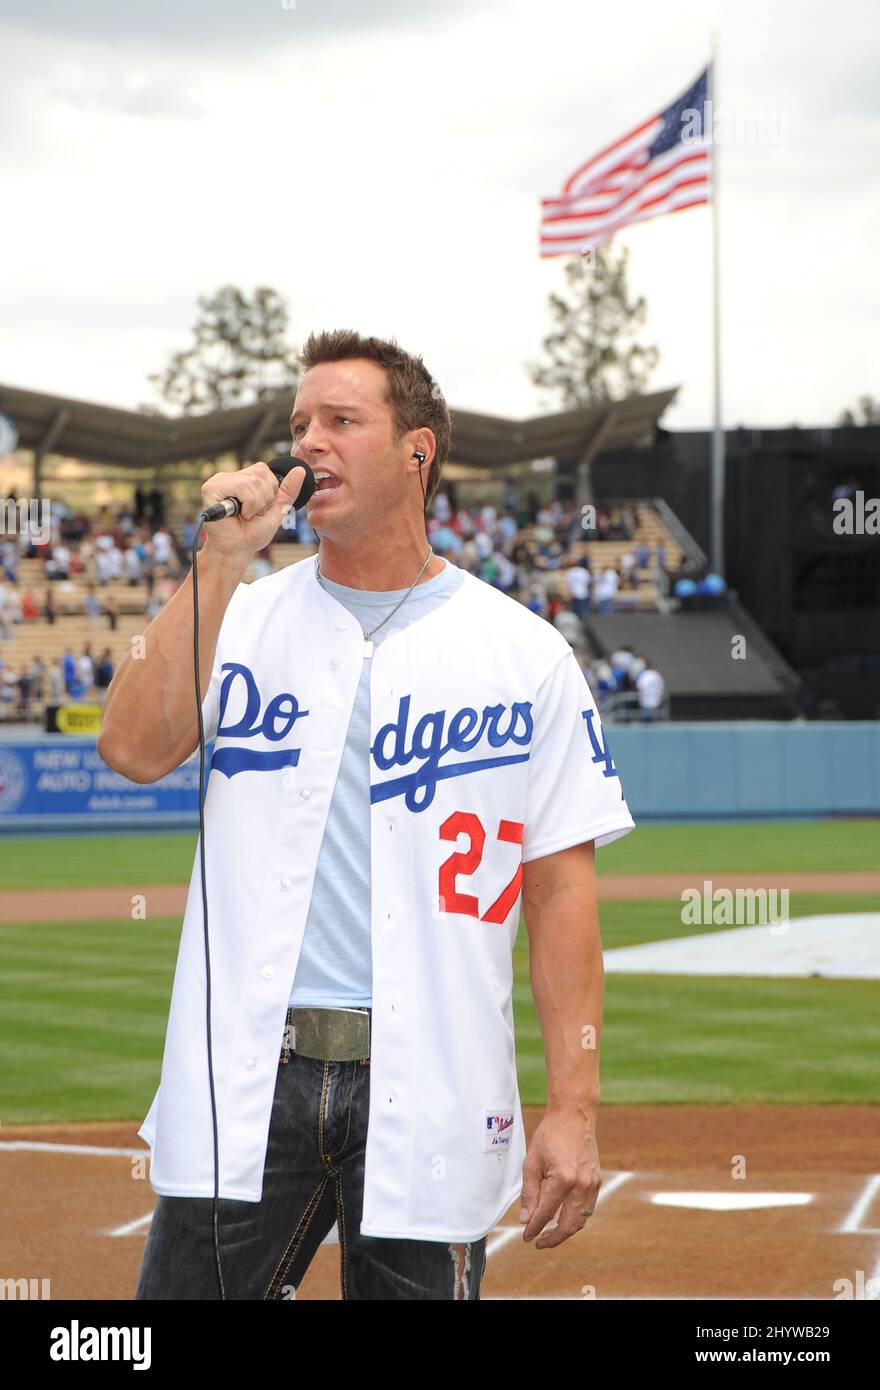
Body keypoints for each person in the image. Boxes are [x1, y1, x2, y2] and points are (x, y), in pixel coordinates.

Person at [98, 329, 634, 1302]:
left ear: (416, 452)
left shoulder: (524, 653)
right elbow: (132, 748)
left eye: (342, 421)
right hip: (247, 1079)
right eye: (299, 425)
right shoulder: (241, 614)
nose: (309, 444)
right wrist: (217, 564)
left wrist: (575, 1106)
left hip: (428, 1081)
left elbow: (560, 894)